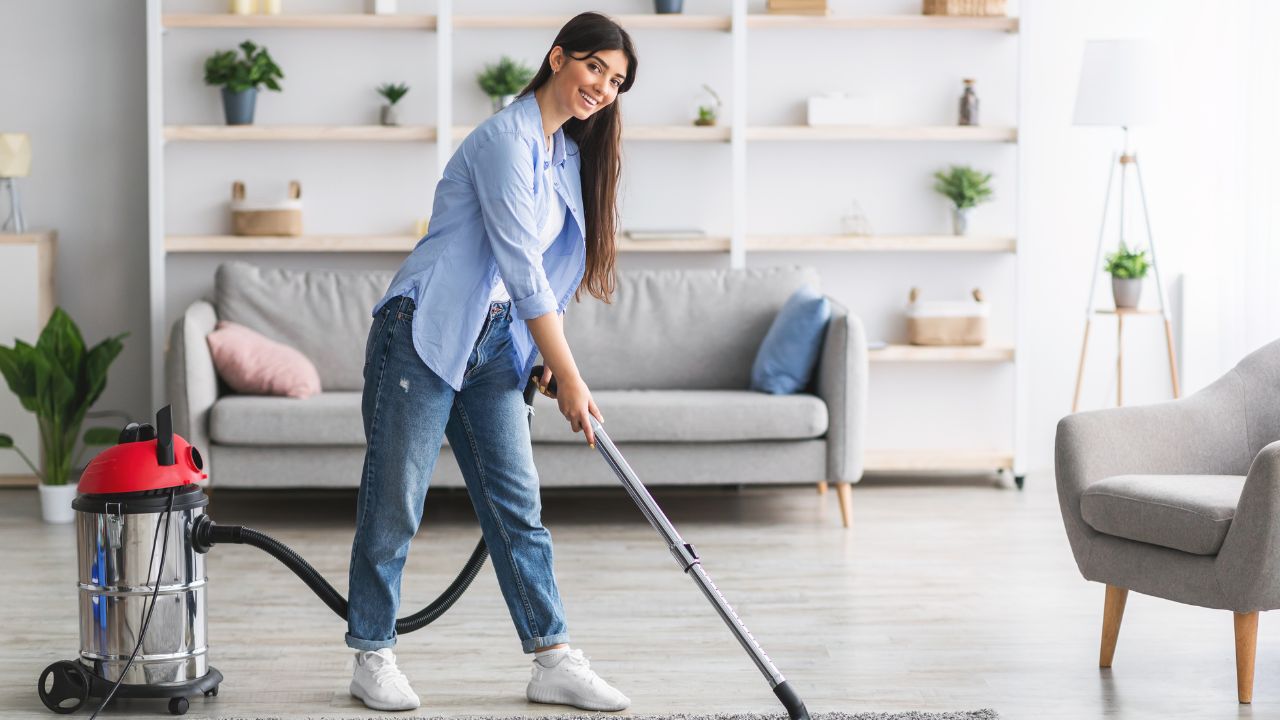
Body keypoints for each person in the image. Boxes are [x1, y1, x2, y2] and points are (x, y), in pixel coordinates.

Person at [344, 11, 638, 713]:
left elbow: (545, 284)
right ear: (558, 57)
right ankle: (372, 654)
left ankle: (552, 657)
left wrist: (540, 356)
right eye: (594, 66)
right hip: (423, 331)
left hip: (496, 343)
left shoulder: (565, 153)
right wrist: (571, 378)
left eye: (617, 80)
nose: (602, 85)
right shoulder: (504, 142)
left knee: (517, 505)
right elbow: (520, 265)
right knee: (396, 504)